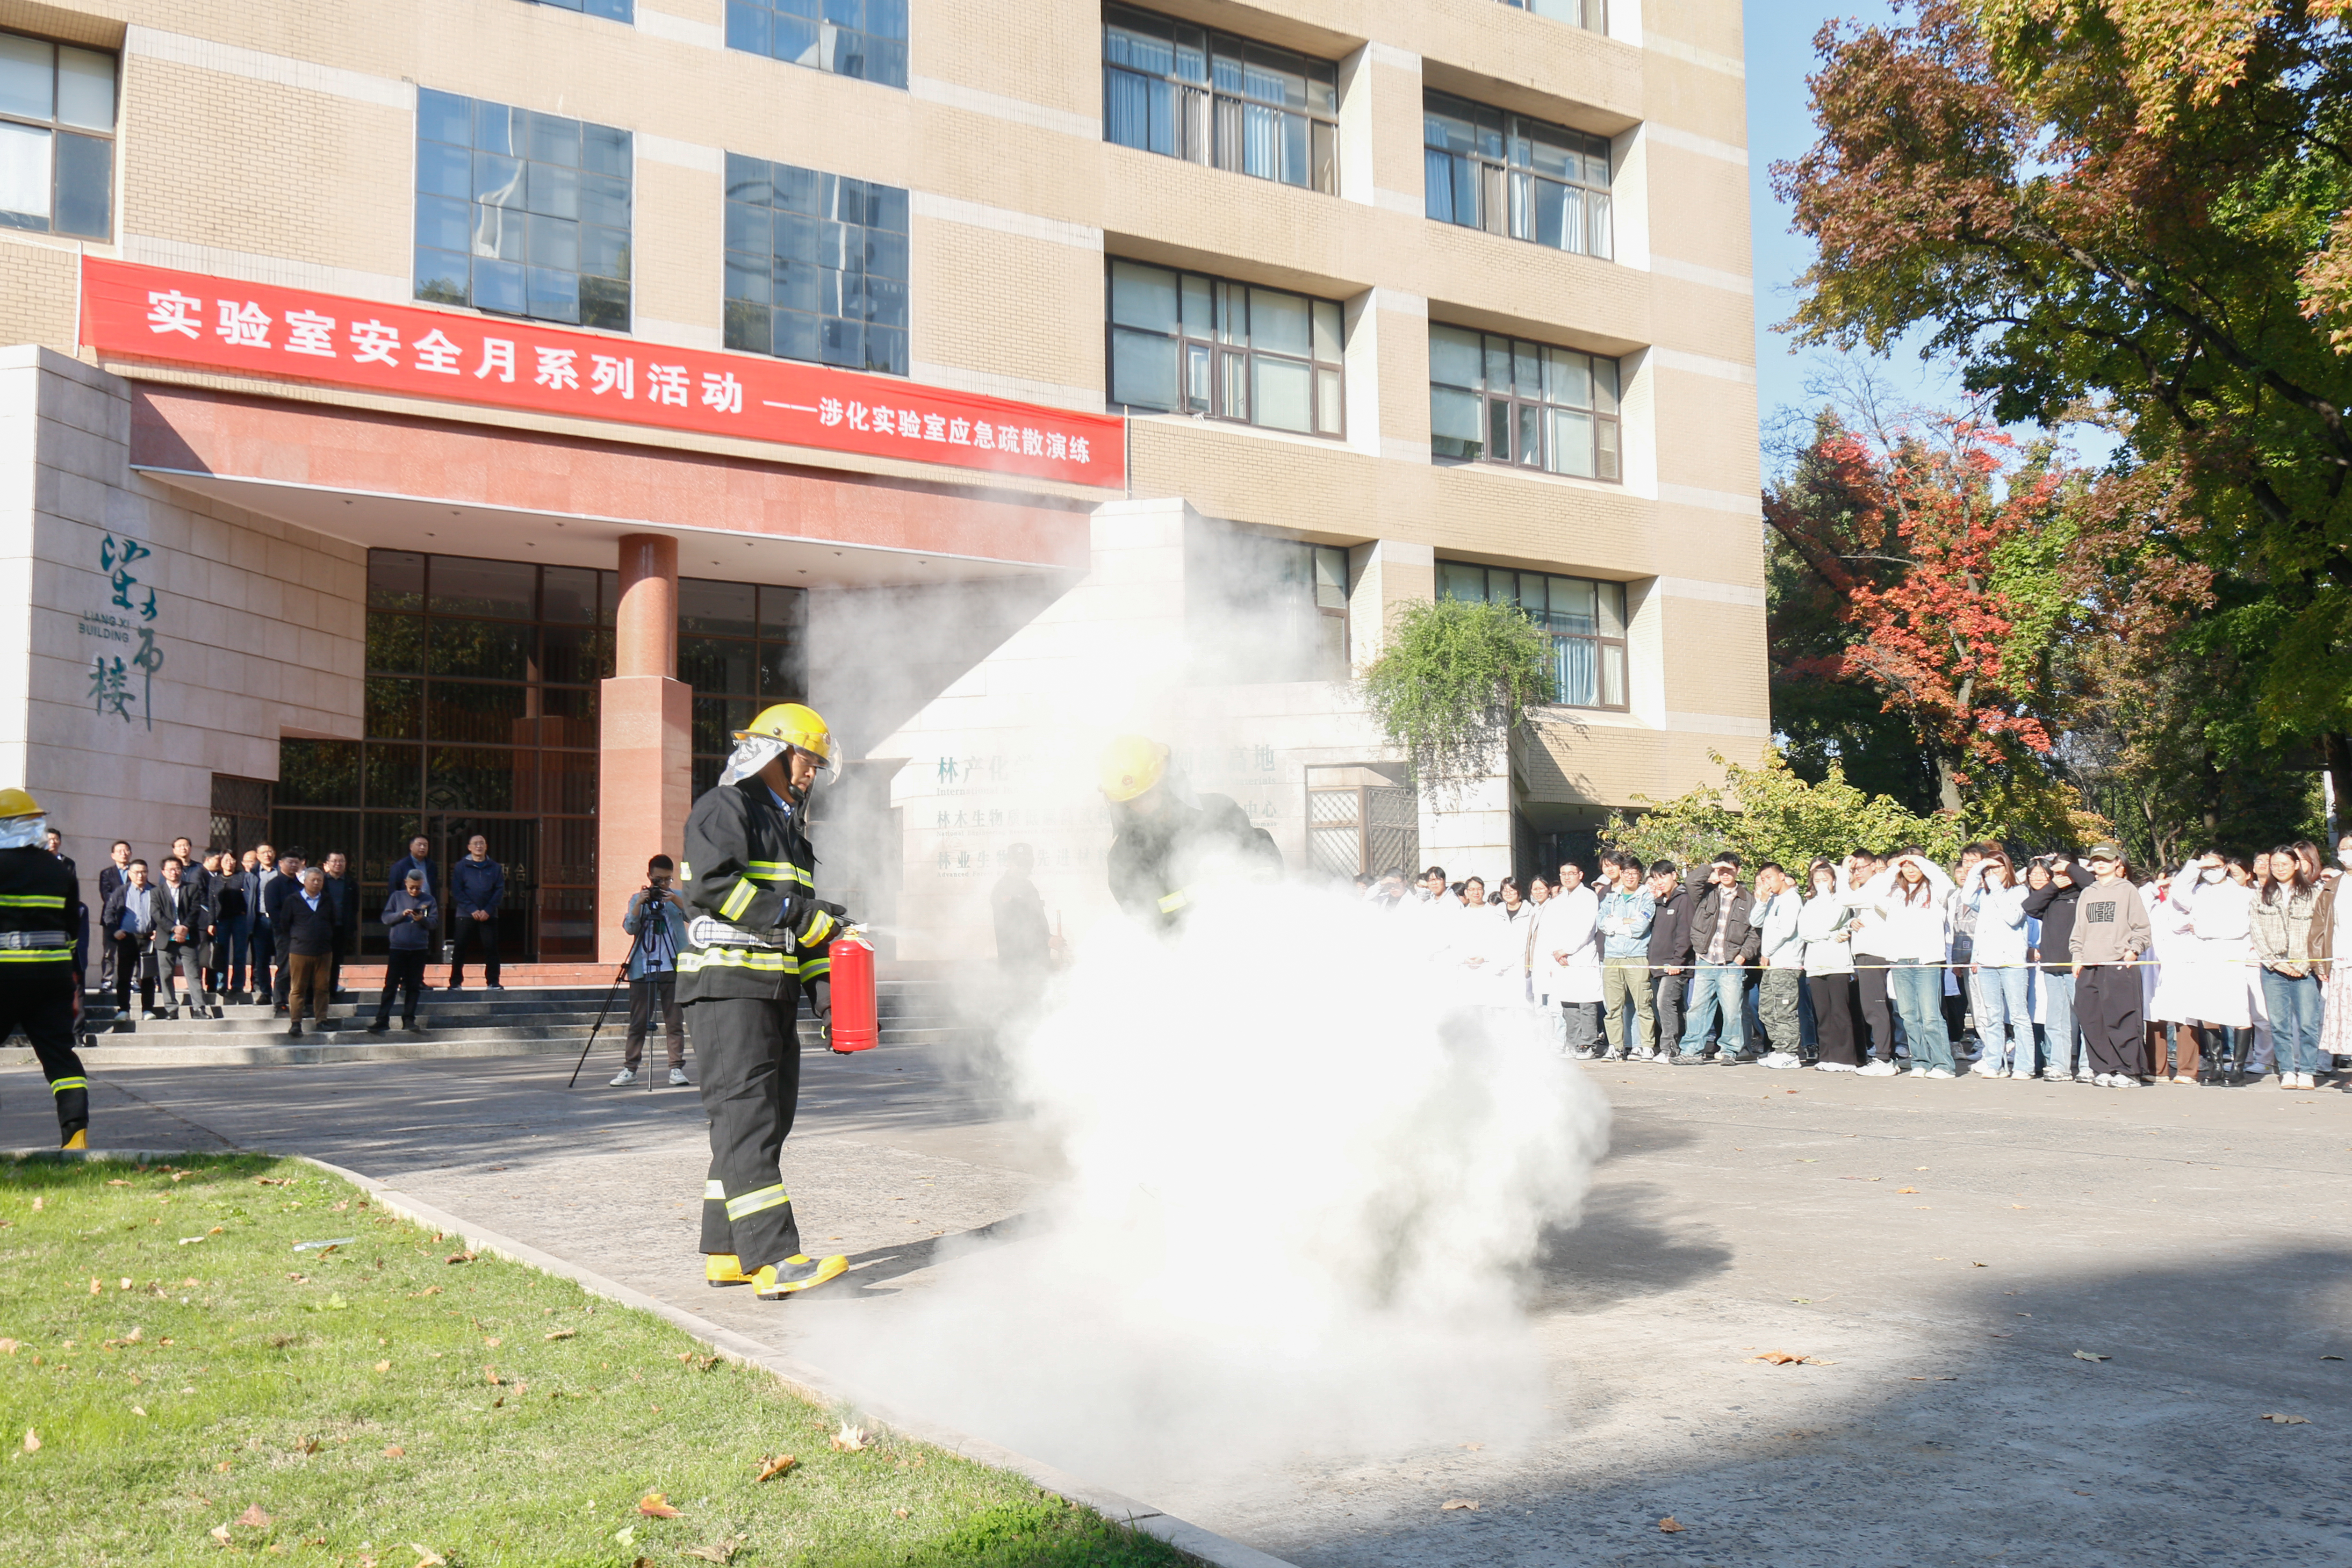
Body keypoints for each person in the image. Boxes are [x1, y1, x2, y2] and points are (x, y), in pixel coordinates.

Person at [679, 703, 854, 1300]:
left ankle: (727, 1251)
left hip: (770, 995)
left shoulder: (793, 838)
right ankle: (776, 1260)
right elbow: (709, 884)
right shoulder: (725, 807)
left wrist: (834, 1009)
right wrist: (799, 915)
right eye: (808, 759)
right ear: (775, 753)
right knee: (747, 1119)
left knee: (762, 1121)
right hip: (726, 991)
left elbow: (804, 934)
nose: (812, 773)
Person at [1100, 735, 1281, 928]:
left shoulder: (1219, 811)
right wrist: (1197, 893)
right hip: (1184, 953)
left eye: (1148, 794)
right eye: (1132, 801)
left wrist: (1254, 877)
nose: (1141, 805)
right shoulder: (1124, 857)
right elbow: (1147, 919)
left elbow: (1264, 858)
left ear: (1166, 781)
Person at [0, 791, 90, 1147]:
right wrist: (71, 980)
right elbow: (71, 931)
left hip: (4, 976)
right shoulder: (59, 869)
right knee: (59, 1057)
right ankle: (75, 1136)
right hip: (52, 978)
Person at [1857, 851, 1957, 1078]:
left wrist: (1920, 860)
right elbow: (1873, 891)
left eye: (1916, 866)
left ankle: (1943, 1065)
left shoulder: (1936, 891)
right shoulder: (1893, 893)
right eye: (1906, 866)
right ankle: (1920, 1061)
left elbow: (1947, 883)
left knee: (1931, 1015)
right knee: (1909, 1016)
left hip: (1927, 960)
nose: (1911, 870)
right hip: (1900, 959)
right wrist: (1894, 868)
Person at [2166, 852, 2254, 1086]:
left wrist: (2203, 927)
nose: (2210, 870)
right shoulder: (2199, 892)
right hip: (2204, 956)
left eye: (2215, 865)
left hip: (2231, 955)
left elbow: (2238, 928)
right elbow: (2177, 890)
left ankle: (2238, 1068)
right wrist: (2197, 865)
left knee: (2238, 1011)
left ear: (2225, 867)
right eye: (2207, 866)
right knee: (2208, 1011)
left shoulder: (2244, 894)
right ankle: (2216, 1066)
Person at [2072, 845, 2154, 1087]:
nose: (2100, 864)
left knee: (2122, 1018)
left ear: (2117, 863)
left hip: (2118, 962)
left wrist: (2133, 950)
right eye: (2096, 860)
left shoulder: (2127, 890)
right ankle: (2104, 1068)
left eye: (2106, 860)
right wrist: (2077, 956)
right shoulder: (2088, 892)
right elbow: (2079, 930)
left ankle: (2129, 1071)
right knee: (2091, 1018)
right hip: (2090, 963)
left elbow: (2142, 927)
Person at [612, 854, 692, 1087]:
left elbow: (697, 917)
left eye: (668, 880)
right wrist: (640, 905)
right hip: (643, 967)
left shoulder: (678, 897)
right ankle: (630, 1069)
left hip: (673, 965)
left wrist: (676, 902)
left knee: (674, 1021)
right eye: (659, 880)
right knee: (638, 1021)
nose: (663, 885)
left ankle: (676, 1068)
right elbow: (630, 928)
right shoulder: (638, 899)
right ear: (649, 877)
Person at [2249, 845, 2324, 1089]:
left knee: (2308, 1023)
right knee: (2279, 1023)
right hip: (2273, 968)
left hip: (2305, 967)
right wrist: (2276, 962)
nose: (2280, 869)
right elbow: (2257, 932)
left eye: (2285, 864)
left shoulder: (2314, 893)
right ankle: (2288, 1071)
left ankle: (2308, 1071)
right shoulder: (2260, 895)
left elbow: (2319, 932)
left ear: (2296, 865)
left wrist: (2304, 964)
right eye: (2275, 865)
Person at [1674, 855, 1759, 1064]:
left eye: (1729, 870)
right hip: (1705, 959)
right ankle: (1691, 1052)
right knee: (1697, 1009)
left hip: (1731, 963)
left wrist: (1743, 956)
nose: (1725, 874)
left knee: (1732, 1011)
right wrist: (1712, 866)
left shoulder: (1749, 899)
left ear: (1738, 871)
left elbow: (1755, 932)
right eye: (1722, 870)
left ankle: (1730, 1051)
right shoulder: (1706, 894)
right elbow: (1691, 881)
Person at [1962, 849, 2035, 1078]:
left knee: (2018, 1016)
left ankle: (2025, 1066)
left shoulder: (2020, 892)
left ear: (2008, 868)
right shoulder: (1984, 896)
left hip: (2012, 963)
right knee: (1992, 1015)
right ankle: (1996, 1063)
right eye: (1989, 869)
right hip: (1986, 963)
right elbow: (1966, 897)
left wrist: (1995, 885)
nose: (1993, 873)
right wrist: (1978, 868)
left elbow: (2013, 917)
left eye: (1997, 868)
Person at [2023, 854, 2091, 1083]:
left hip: (2077, 964)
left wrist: (2071, 868)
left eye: (2065, 872)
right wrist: (2053, 884)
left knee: (2086, 1018)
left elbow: (2092, 883)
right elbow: (2029, 907)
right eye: (2057, 871)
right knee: (2056, 1019)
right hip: (2052, 965)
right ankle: (2060, 1066)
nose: (2062, 877)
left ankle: (2088, 1066)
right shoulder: (2050, 897)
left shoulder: (2084, 895)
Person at [1797, 859, 1867, 1071]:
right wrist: (1830, 935)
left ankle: (1845, 1058)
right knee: (1823, 1013)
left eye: (1825, 880)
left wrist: (1829, 928)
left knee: (1840, 1012)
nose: (1820, 884)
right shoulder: (1809, 904)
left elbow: (1831, 919)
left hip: (1838, 964)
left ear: (1834, 881)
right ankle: (1827, 1057)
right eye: (1816, 880)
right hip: (1816, 965)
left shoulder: (1841, 901)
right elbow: (1805, 933)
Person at [1539, 859, 1604, 1058]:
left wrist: (1567, 950)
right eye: (1563, 874)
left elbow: (1587, 929)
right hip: (1561, 958)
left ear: (1581, 875)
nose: (1567, 877)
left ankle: (1588, 1044)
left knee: (1586, 1003)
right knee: (1568, 1004)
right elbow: (1547, 930)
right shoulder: (1556, 901)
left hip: (1582, 955)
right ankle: (1574, 1043)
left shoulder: (1588, 897)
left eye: (1571, 873)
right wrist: (1555, 952)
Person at [1597, 853, 1657, 1060]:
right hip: (1612, 956)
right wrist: (1626, 922)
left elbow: (1641, 928)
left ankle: (1646, 1045)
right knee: (1613, 1006)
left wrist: (1617, 923)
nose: (1630, 877)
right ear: (1621, 874)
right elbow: (1602, 924)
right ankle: (1616, 1046)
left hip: (1636, 955)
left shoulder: (1647, 897)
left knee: (1643, 1003)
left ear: (1640, 875)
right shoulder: (1611, 897)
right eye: (1626, 873)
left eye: (1635, 873)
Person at [366, 867, 436, 1035]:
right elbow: (386, 918)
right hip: (398, 947)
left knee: (413, 986)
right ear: (406, 883)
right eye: (411, 887)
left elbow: (434, 923)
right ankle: (382, 1020)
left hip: (419, 948)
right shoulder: (397, 897)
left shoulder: (429, 900)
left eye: (418, 888)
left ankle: (409, 1019)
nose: (414, 891)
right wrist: (401, 915)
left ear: (423, 885)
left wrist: (422, 919)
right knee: (391, 985)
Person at [1843, 850, 1897, 1061]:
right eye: (1853, 869)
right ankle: (1885, 1052)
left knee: (1875, 1006)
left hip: (1876, 953)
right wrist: (1850, 923)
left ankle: (1885, 1056)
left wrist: (1842, 872)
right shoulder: (1867, 888)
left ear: (1874, 865)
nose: (1857, 873)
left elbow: (1844, 899)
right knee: (1873, 1006)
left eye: (1860, 868)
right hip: (1865, 951)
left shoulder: (1880, 882)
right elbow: (1856, 913)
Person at [1752, 862, 1806, 1069]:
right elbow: (1755, 921)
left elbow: (1786, 930)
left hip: (1786, 963)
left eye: (1770, 877)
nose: (1767, 882)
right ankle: (1780, 1048)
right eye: (1763, 879)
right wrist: (1762, 901)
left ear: (1782, 876)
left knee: (1784, 1009)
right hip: (1771, 964)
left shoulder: (1792, 899)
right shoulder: (1772, 900)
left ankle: (1790, 1053)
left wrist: (1766, 953)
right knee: (1767, 1009)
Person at [991, 842, 1054, 1014]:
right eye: (1020, 863)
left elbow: (1038, 920)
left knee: (1036, 1011)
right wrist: (1047, 939)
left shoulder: (1029, 887)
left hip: (1035, 964)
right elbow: (1015, 927)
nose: (1024, 868)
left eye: (1028, 864)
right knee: (1019, 1013)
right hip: (1016, 965)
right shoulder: (1002, 890)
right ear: (1008, 863)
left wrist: (1048, 937)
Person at [1646, 860, 1698, 1057]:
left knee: (1665, 1003)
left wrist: (1677, 962)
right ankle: (1680, 1044)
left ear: (1674, 876)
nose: (1660, 882)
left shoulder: (1683, 900)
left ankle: (1670, 1049)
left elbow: (1685, 934)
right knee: (1665, 1006)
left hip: (1675, 965)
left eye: (1664, 877)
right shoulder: (1659, 903)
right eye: (1656, 878)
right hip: (1656, 966)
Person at [279, 866, 338, 1039]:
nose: (316, 883)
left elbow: (333, 921)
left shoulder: (327, 900)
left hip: (323, 951)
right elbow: (284, 924)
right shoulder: (293, 900)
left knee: (322, 988)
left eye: (320, 880)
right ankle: (296, 1023)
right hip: (300, 951)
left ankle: (322, 1020)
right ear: (304, 882)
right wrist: (298, 938)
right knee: (298, 988)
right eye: (313, 880)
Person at [151, 856, 210, 1018]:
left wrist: (184, 928)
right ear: (163, 872)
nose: (174, 872)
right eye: (170, 869)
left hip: (188, 937)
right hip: (165, 938)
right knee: (166, 975)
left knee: (193, 974)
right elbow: (157, 914)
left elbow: (195, 910)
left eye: (177, 868)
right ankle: (171, 1009)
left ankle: (199, 1009)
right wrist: (174, 928)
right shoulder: (156, 892)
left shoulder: (192, 888)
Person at [2313, 830, 2352, 1072]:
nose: (2345, 853)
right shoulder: (2334, 885)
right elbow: (2320, 925)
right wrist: (2321, 963)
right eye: (2343, 848)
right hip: (2341, 960)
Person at [102, 858, 160, 1020]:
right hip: (127, 938)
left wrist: (158, 931)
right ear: (130, 874)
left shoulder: (155, 891)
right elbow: (109, 914)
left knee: (148, 976)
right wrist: (115, 931)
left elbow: (163, 915)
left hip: (149, 939)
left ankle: (147, 1010)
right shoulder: (122, 891)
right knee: (124, 976)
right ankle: (124, 1010)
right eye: (137, 872)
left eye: (144, 872)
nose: (141, 876)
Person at [447, 835, 505, 991]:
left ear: (486, 847)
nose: (479, 846)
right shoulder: (461, 867)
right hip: (466, 914)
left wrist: (488, 910)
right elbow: (457, 891)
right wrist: (472, 909)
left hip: (489, 914)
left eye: (482, 844)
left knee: (491, 948)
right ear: (469, 847)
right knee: (460, 947)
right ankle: (455, 982)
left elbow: (499, 891)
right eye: (476, 844)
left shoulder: (495, 867)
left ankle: (493, 982)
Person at [261, 849, 306, 1015]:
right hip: (284, 934)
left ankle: (297, 1003)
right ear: (281, 864)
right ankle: (280, 1003)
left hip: (302, 934)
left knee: (300, 970)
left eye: (297, 862)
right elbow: (274, 911)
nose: (294, 865)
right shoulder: (274, 885)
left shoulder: (301, 885)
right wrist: (290, 927)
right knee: (285, 967)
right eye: (290, 862)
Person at [213, 852, 254, 999]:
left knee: (239, 953)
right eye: (226, 860)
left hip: (240, 919)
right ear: (221, 862)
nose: (229, 862)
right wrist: (211, 922)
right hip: (222, 920)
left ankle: (238, 985)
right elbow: (211, 901)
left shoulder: (242, 877)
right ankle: (221, 984)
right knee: (221, 953)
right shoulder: (216, 880)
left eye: (232, 859)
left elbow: (249, 897)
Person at [320, 850, 358, 1000]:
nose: (338, 864)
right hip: (324, 929)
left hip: (341, 928)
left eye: (341, 861)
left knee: (336, 961)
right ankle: (319, 991)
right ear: (327, 864)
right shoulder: (322, 882)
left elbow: (354, 907)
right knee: (321, 961)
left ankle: (332, 990)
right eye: (335, 861)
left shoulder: (351, 884)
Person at [95, 839, 131, 997]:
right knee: (109, 952)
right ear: (113, 855)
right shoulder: (107, 873)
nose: (123, 854)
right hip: (112, 918)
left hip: (132, 918)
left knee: (131, 952)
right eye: (120, 851)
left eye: (126, 851)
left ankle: (133, 981)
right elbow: (107, 895)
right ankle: (107, 981)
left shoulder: (136, 871)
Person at [389, 835, 437, 900]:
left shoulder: (432, 865)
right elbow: (394, 889)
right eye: (419, 845)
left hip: (428, 904)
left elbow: (434, 888)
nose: (423, 848)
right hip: (407, 905)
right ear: (411, 847)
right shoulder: (400, 866)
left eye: (425, 845)